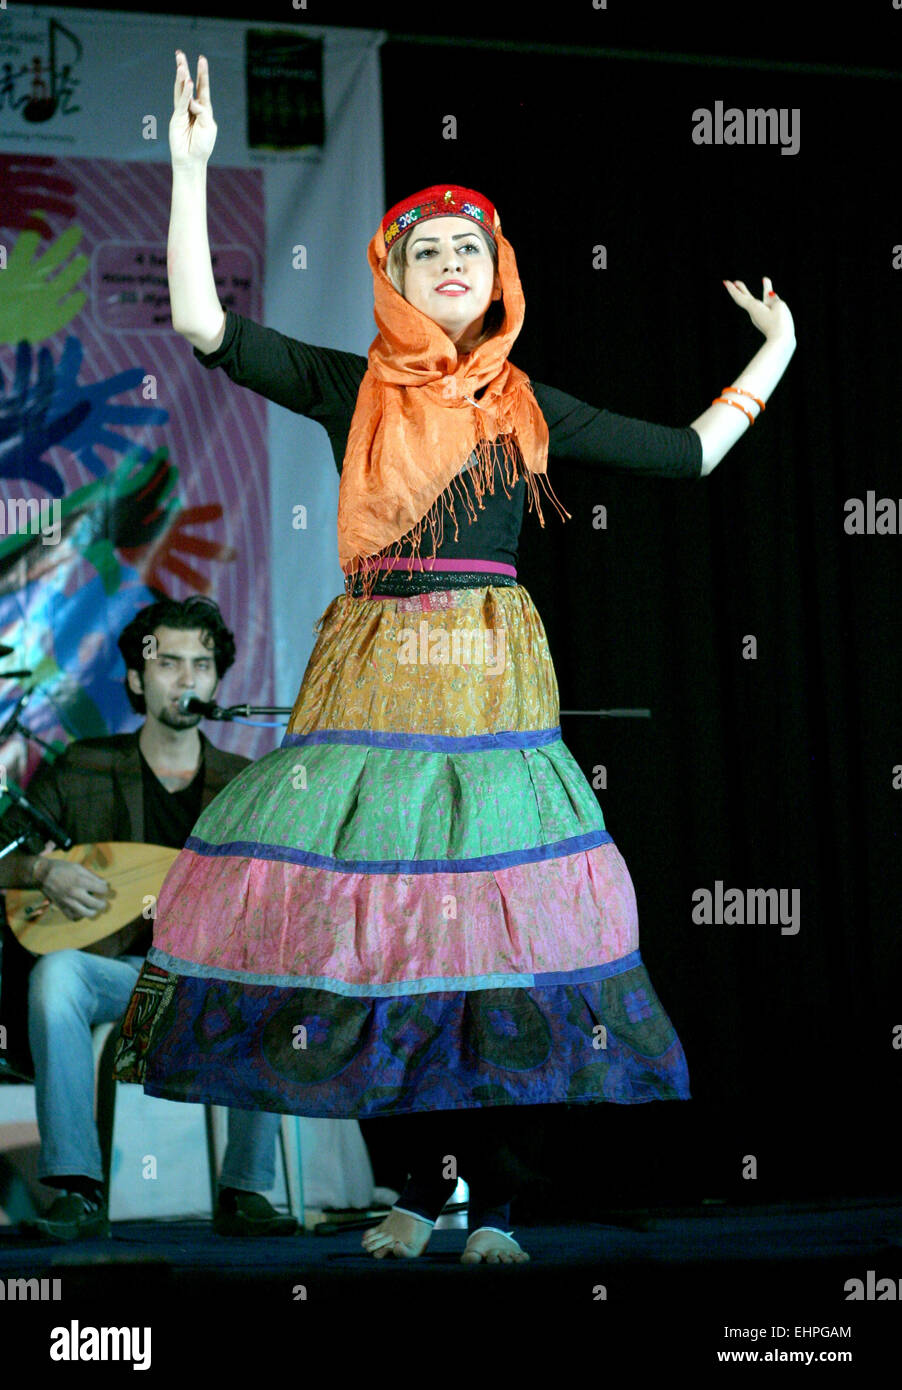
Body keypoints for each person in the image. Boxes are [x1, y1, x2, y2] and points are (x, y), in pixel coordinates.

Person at [113, 50, 797, 1267]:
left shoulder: (530, 405)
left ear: (498, 279)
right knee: (380, 938)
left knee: (497, 944)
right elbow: (204, 327)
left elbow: (691, 455)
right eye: (423, 248)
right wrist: (188, 171)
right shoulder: (347, 385)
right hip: (374, 678)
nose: (445, 263)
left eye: (466, 251)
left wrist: (778, 350)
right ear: (389, 273)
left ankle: (497, 1204)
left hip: (487, 687)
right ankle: (417, 1195)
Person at [0, 596, 296, 1241]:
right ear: (137, 677)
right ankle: (77, 1190)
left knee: (271, 974)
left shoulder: (244, 784)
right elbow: (4, 854)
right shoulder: (85, 766)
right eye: (168, 663)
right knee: (56, 976)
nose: (186, 679)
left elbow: (279, 900)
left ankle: (244, 1190)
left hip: (214, 981)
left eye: (201, 664)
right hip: (124, 977)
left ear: (218, 681)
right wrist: (39, 871)